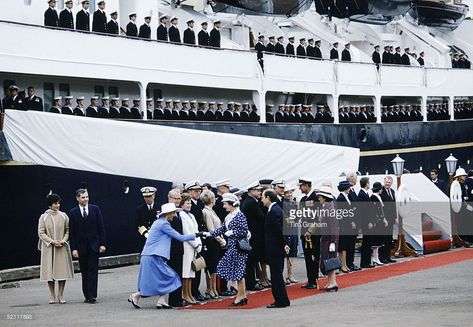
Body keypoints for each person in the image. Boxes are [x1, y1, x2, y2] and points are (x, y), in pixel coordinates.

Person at [129, 203, 204, 309]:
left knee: (162, 278)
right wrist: (196, 235)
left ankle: (161, 300)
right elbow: (180, 237)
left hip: (152, 255)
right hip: (152, 255)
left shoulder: (159, 222)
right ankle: (136, 296)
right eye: (173, 213)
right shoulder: (164, 224)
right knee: (170, 277)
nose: (174, 215)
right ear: (167, 214)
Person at [204, 193, 249, 306]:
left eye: (225, 204)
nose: (224, 206)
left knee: (238, 272)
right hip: (232, 246)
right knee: (238, 272)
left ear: (232, 204)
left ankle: (239, 297)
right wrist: (209, 234)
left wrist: (233, 233)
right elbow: (222, 228)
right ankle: (242, 296)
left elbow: (244, 231)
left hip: (239, 247)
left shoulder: (239, 215)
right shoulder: (229, 216)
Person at [69, 189, 107, 303]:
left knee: (93, 270)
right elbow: (72, 232)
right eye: (83, 197)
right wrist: (74, 248)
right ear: (77, 198)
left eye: (87, 197)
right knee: (84, 271)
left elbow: (101, 227)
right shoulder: (73, 212)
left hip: (94, 245)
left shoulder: (95, 209)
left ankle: (92, 295)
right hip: (81, 247)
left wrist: (103, 244)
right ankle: (86, 294)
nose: (86, 199)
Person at [38, 193, 74, 304]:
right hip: (49, 248)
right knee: (49, 272)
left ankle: (61, 294)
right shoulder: (43, 217)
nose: (57, 205)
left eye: (58, 203)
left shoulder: (64, 216)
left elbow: (68, 230)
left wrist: (63, 240)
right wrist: (52, 241)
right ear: (50, 205)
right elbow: (41, 232)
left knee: (62, 271)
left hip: (61, 246)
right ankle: (52, 295)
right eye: (55, 203)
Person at [261, 189, 290, 308]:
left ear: (268, 198)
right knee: (277, 274)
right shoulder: (275, 209)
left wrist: (284, 244)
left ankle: (280, 301)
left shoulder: (274, 211)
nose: (262, 200)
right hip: (276, 247)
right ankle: (283, 300)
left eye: (263, 197)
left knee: (276, 275)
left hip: (275, 248)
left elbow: (278, 230)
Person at [240, 181, 265, 291]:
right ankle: (251, 283)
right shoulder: (251, 202)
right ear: (251, 191)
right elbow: (260, 217)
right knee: (251, 260)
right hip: (252, 236)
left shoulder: (250, 201)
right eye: (258, 190)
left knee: (251, 260)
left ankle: (252, 281)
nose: (260, 192)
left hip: (252, 235)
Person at [178, 193, 202, 305]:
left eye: (190, 203)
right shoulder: (182, 215)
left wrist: (199, 244)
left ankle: (190, 294)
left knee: (191, 272)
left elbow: (196, 231)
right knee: (186, 272)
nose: (189, 205)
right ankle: (185, 294)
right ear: (182, 204)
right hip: (187, 246)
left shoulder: (191, 215)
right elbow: (186, 232)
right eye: (187, 203)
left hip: (194, 246)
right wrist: (195, 245)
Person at [201, 190, 226, 299]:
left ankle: (214, 288)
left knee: (215, 267)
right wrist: (221, 240)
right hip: (211, 242)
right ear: (211, 200)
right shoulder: (206, 212)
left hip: (216, 241)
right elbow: (211, 230)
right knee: (211, 266)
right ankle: (210, 288)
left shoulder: (211, 210)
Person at [298, 177, 319, 289]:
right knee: (307, 257)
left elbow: (317, 216)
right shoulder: (303, 199)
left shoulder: (315, 197)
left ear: (306, 185)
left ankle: (314, 280)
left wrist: (311, 230)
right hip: (304, 231)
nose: (300, 188)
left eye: (301, 186)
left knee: (313, 256)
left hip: (313, 233)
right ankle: (310, 279)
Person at [317, 185, 339, 291]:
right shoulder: (326, 207)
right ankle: (330, 282)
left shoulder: (330, 209)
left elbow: (333, 227)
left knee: (330, 260)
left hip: (330, 239)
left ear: (324, 197)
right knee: (327, 260)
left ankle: (333, 282)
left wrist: (333, 242)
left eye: (320, 196)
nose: (319, 198)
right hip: (326, 239)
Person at [166, 189, 185, 307]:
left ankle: (178, 297)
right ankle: (173, 299)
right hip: (171, 249)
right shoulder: (167, 213)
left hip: (179, 248)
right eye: (175, 198)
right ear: (169, 199)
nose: (178, 201)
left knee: (179, 274)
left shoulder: (178, 212)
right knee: (173, 275)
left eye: (179, 198)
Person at [336, 180, 355, 273]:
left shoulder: (346, 197)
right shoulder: (340, 198)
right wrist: (350, 222)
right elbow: (342, 213)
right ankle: (342, 265)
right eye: (348, 188)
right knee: (342, 247)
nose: (349, 189)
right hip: (343, 225)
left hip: (347, 225)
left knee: (345, 246)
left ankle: (345, 264)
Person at [380, 176, 397, 263]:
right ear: (384, 182)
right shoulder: (381, 191)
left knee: (389, 238)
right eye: (386, 182)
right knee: (384, 238)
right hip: (384, 219)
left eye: (389, 182)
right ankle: (382, 257)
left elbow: (394, 205)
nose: (387, 184)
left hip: (391, 218)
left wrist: (395, 217)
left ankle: (388, 256)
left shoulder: (392, 191)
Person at [358, 177, 375, 268]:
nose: (369, 184)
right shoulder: (361, 194)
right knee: (366, 242)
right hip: (366, 222)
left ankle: (367, 261)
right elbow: (364, 210)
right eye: (369, 182)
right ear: (366, 184)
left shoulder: (365, 194)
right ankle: (365, 262)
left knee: (368, 242)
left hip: (368, 221)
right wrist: (368, 222)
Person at [370, 182, 388, 265]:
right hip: (377, 221)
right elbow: (374, 211)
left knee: (379, 242)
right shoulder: (373, 197)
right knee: (376, 241)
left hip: (380, 220)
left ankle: (376, 258)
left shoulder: (378, 197)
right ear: (380, 189)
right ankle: (375, 258)